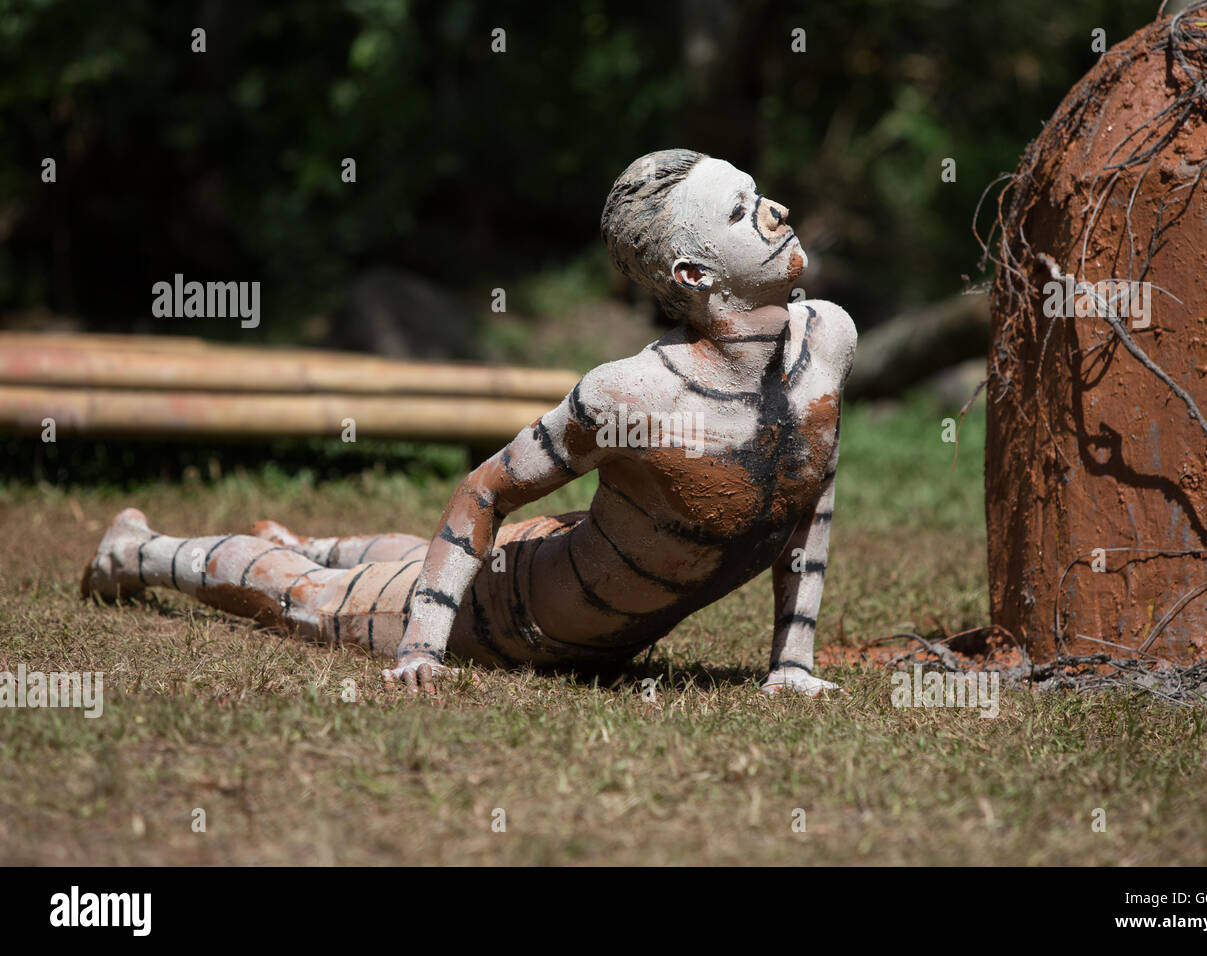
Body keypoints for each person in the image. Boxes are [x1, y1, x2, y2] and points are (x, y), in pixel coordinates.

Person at [82, 149, 857, 697]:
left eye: (757, 195)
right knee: (313, 599)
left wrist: (791, 661)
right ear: (694, 275)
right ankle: (140, 551)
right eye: (741, 209)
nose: (776, 211)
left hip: (566, 551)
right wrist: (423, 647)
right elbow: (484, 492)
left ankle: (304, 539)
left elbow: (808, 485)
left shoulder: (829, 340)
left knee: (407, 560)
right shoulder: (633, 395)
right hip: (512, 613)